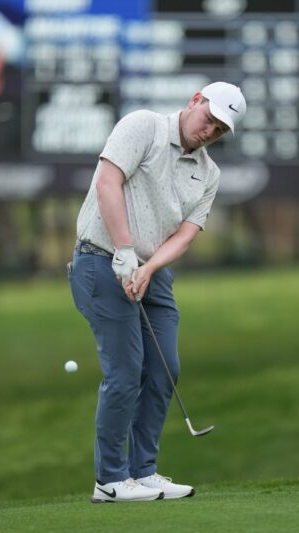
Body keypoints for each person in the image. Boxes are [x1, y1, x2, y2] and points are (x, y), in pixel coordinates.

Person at [68, 82, 246, 503]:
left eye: (221, 130)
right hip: (100, 260)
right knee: (125, 371)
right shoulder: (143, 126)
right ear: (195, 100)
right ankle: (110, 480)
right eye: (210, 119)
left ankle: (142, 472)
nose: (210, 131)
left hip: (151, 271)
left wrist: (148, 267)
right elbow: (107, 184)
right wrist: (124, 250)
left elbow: (185, 235)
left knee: (165, 367)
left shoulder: (208, 173)